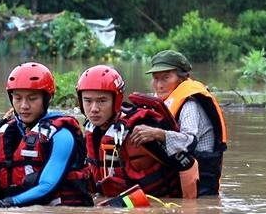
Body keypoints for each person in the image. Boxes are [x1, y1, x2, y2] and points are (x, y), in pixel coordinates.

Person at [0, 62, 93, 208]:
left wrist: (3, 204)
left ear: (47, 99)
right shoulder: (2, 131)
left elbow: (47, 185)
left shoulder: (62, 135)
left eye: (32, 99)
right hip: (9, 213)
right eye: (18, 98)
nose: (24, 106)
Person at [76, 64, 198, 199]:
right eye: (87, 101)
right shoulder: (90, 130)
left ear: (116, 101)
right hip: (121, 207)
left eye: (102, 101)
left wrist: (189, 210)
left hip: (157, 209)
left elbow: (189, 164)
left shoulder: (141, 129)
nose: (94, 109)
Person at [129, 50, 228, 196]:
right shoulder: (165, 100)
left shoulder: (190, 105)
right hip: (180, 171)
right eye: (156, 79)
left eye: (166, 78)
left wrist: (157, 134)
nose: (159, 85)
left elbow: (189, 141)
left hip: (201, 174)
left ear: (181, 79)